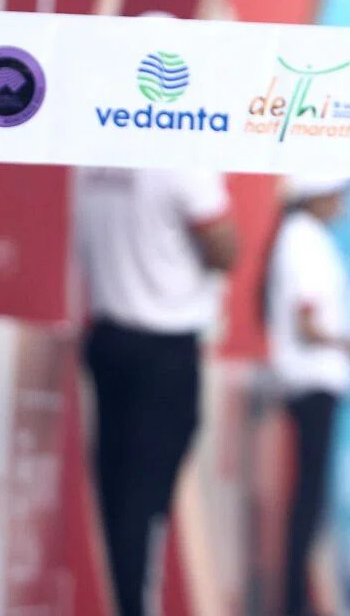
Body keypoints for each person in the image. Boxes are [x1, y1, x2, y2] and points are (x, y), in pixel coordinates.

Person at [73, 163, 237, 616]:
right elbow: (224, 249)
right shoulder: (182, 158)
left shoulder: (93, 157)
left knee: (119, 494)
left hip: (110, 337)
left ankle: (126, 601)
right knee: (143, 501)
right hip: (162, 350)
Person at [266, 175, 350, 616]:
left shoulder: (306, 238)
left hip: (316, 382)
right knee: (308, 502)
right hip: (311, 382)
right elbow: (309, 325)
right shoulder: (303, 240)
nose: (344, 203)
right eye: (339, 193)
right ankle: (293, 601)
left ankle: (297, 597)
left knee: (311, 501)